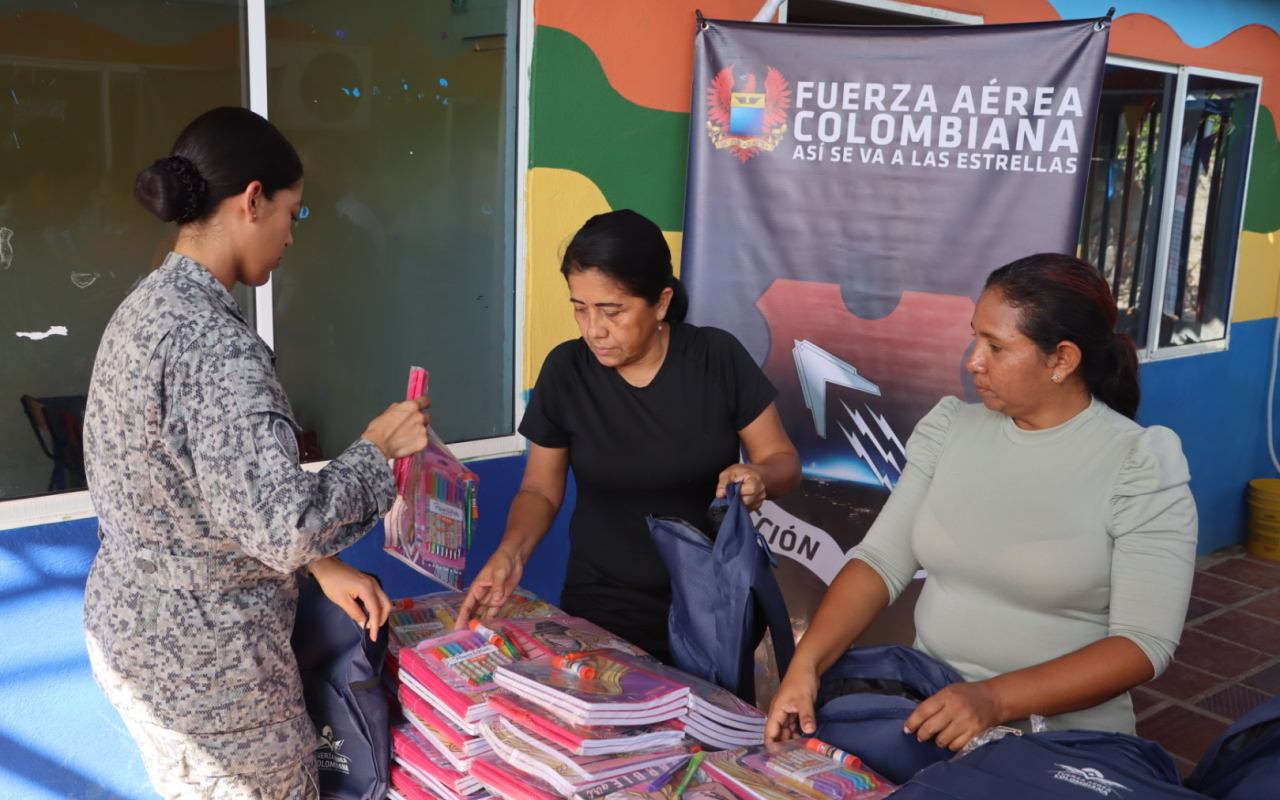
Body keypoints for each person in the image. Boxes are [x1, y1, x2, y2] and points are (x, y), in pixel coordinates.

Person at [82, 107, 431, 800]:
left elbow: (210, 498)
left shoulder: (147, 310)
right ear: (251, 200)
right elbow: (284, 525)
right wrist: (377, 449)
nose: (290, 239)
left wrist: (321, 566)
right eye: (291, 214)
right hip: (215, 677)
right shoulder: (216, 348)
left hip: (138, 636)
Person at [766, 253, 1198, 750]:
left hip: (1059, 744)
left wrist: (994, 699)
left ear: (1062, 359)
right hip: (928, 711)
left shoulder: (1138, 463)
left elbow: (1143, 644)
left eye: (996, 346)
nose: (973, 360)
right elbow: (880, 561)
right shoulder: (952, 427)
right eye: (975, 337)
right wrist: (807, 664)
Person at [456, 209, 801, 659]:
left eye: (611, 310)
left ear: (660, 302)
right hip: (601, 604)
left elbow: (783, 462)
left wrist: (759, 476)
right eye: (580, 308)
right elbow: (540, 489)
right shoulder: (567, 371)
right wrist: (509, 555)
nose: (593, 329)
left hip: (712, 603)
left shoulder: (716, 358)